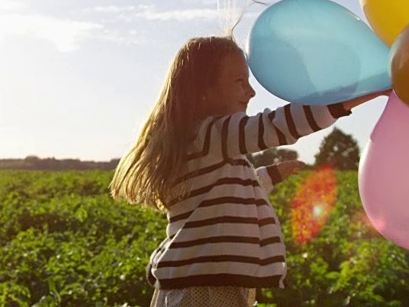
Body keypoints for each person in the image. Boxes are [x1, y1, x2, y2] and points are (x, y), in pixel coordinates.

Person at [109, 35, 390, 306]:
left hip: (202, 282)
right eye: (239, 82)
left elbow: (227, 191)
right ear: (203, 92)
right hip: (207, 287)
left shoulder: (203, 143)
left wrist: (271, 175)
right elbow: (277, 125)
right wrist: (358, 94)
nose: (251, 92)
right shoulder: (211, 134)